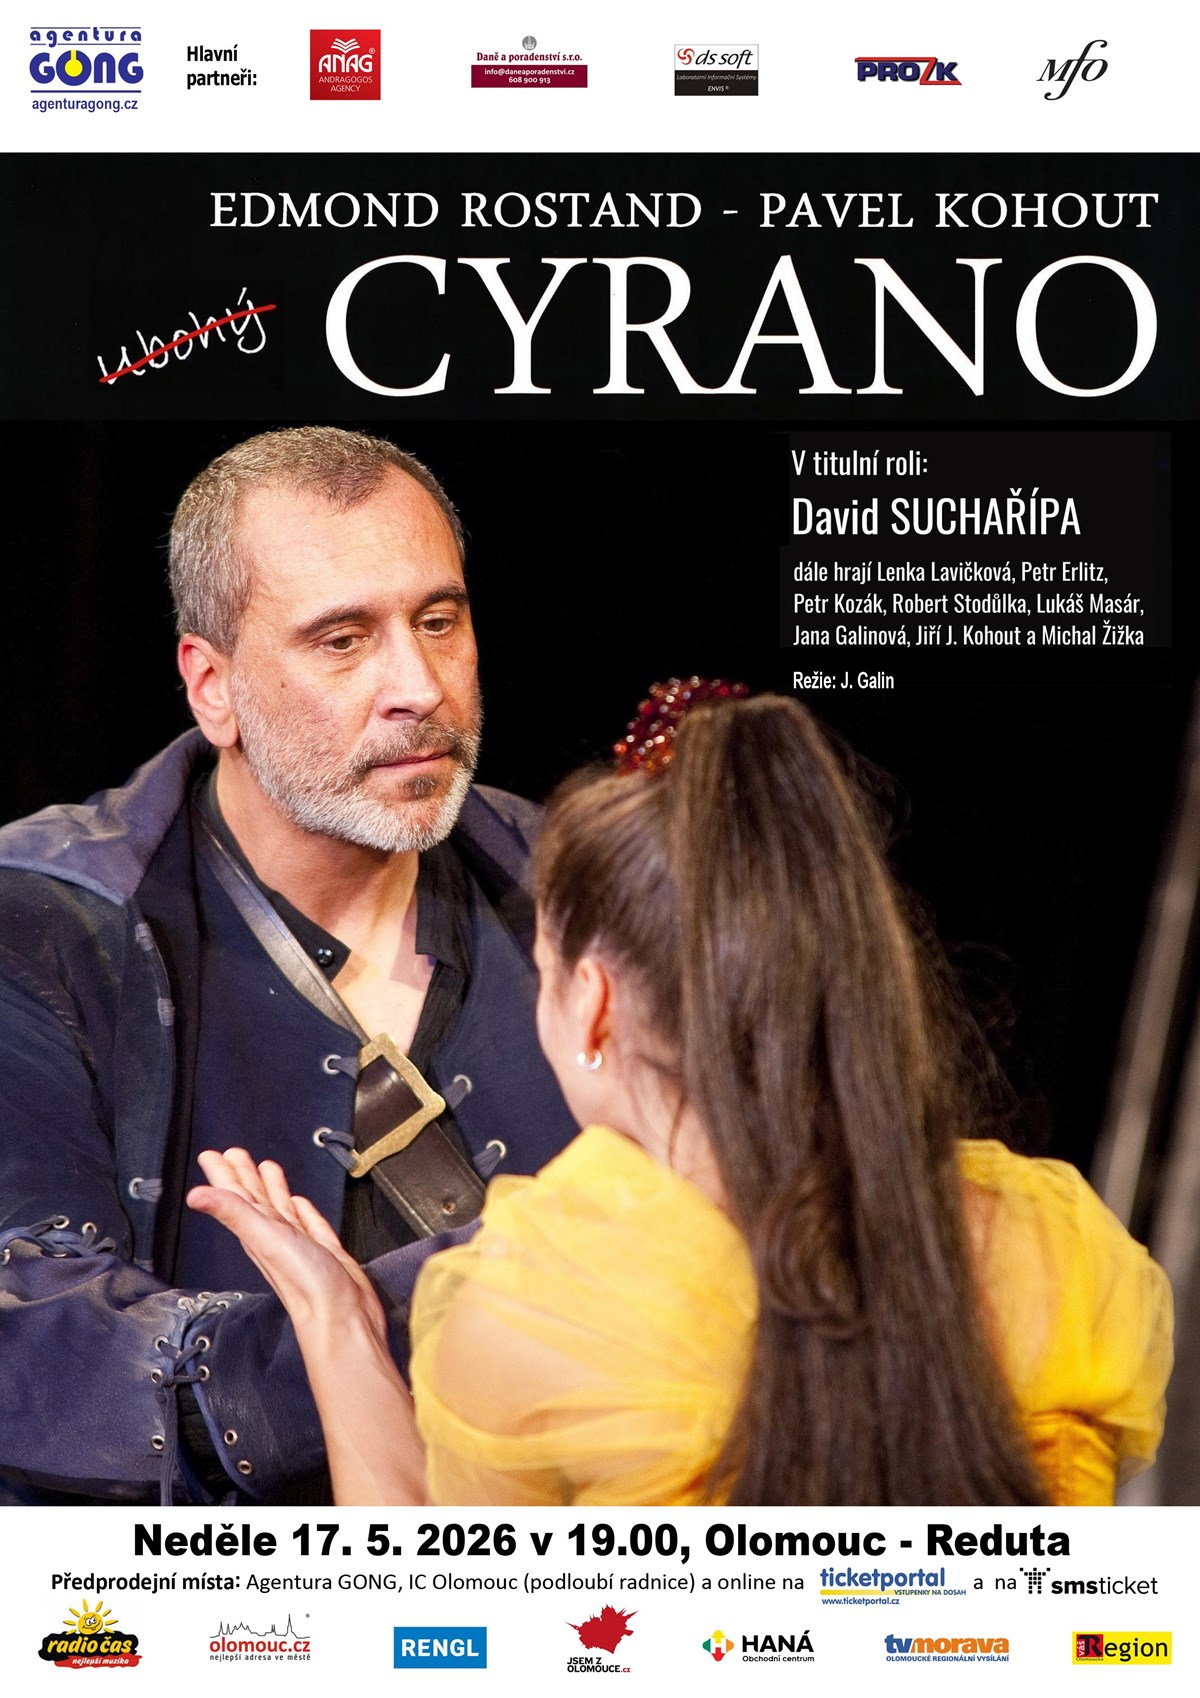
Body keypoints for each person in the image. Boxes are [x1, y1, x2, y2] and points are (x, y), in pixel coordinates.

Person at [189, 684, 1173, 1506]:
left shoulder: (556, 1309)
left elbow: (438, 1623)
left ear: (594, 1006)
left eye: (545, 970)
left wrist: (336, 1325)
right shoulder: (1051, 1255)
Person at [0, 426, 577, 1506]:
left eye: (439, 621)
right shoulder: (36, 922)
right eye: (342, 640)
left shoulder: (588, 885)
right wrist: (494, 1299)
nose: (418, 686)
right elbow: (34, 1346)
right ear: (211, 686)